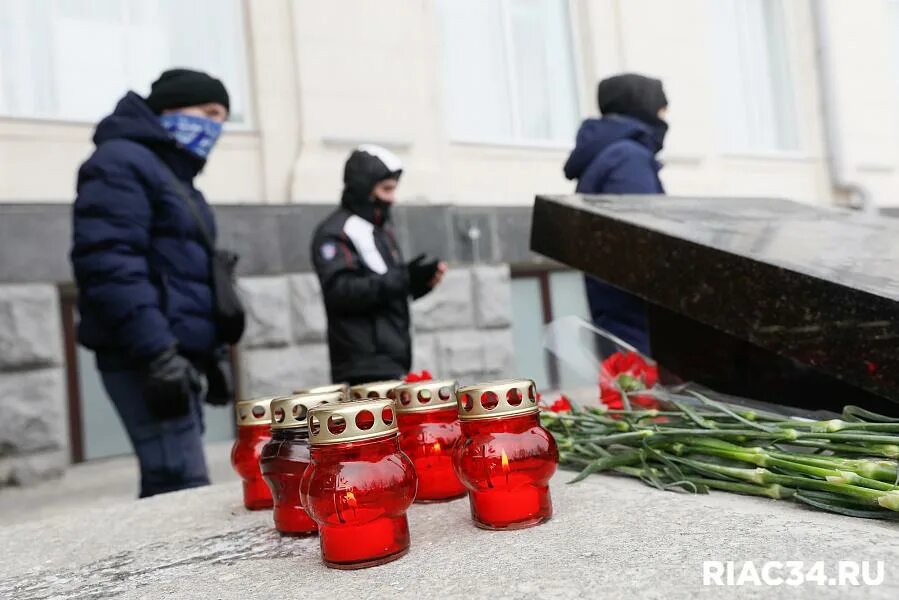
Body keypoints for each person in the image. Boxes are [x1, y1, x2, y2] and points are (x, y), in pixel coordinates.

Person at [70, 68, 237, 498]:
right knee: (180, 485)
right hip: (146, 359)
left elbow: (180, 273)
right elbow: (111, 265)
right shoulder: (121, 163)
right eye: (209, 112)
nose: (216, 126)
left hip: (174, 358)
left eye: (223, 117)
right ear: (171, 107)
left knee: (174, 480)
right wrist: (159, 354)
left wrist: (208, 356)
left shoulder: (170, 174)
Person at [312, 145, 447, 385]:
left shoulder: (380, 230)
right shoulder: (335, 232)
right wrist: (404, 278)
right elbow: (340, 292)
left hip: (392, 360)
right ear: (365, 189)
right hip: (362, 366)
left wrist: (419, 283)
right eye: (386, 189)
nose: (392, 198)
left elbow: (383, 292)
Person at [563, 73, 669, 354]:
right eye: (661, 108)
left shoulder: (608, 156)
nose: (665, 117)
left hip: (619, 318)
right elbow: (642, 242)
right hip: (638, 327)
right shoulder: (627, 158)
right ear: (642, 107)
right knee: (641, 396)